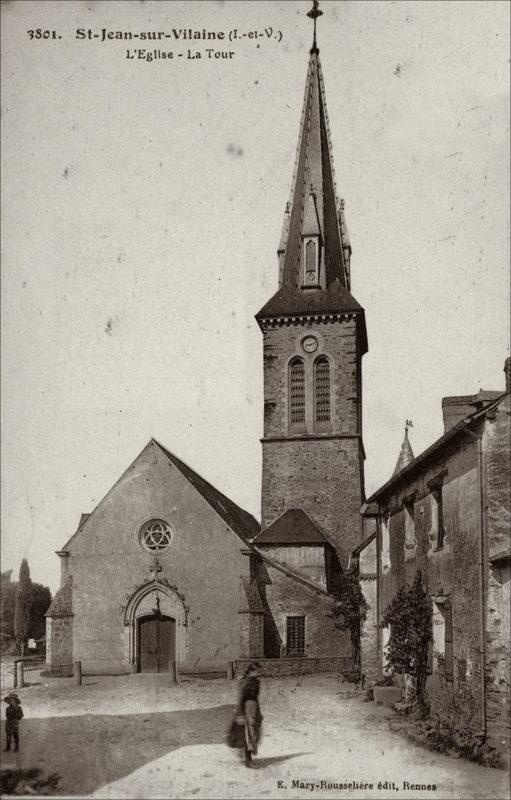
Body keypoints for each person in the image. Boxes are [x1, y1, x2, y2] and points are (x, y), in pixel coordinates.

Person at [236, 662, 263, 768]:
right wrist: (240, 714)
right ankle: (248, 760)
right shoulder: (247, 682)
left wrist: (259, 712)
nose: (259, 673)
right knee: (249, 734)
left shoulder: (255, 681)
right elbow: (241, 698)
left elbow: (256, 698)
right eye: (258, 671)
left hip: (253, 708)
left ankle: (249, 758)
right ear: (252, 671)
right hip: (247, 709)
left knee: (254, 733)